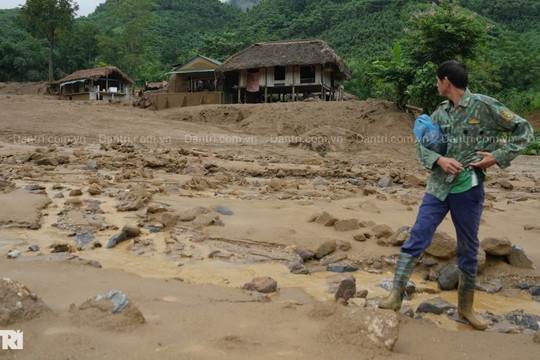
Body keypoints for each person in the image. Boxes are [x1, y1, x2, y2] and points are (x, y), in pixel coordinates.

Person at [378, 60, 534, 330]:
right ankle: (395, 296)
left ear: (446, 81)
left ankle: (465, 309)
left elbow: (524, 130)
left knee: (468, 247)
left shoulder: (485, 106)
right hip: (438, 187)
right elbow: (421, 147)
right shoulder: (439, 113)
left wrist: (496, 157)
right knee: (418, 236)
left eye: (437, 80)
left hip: (468, 188)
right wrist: (439, 159)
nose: (436, 85)